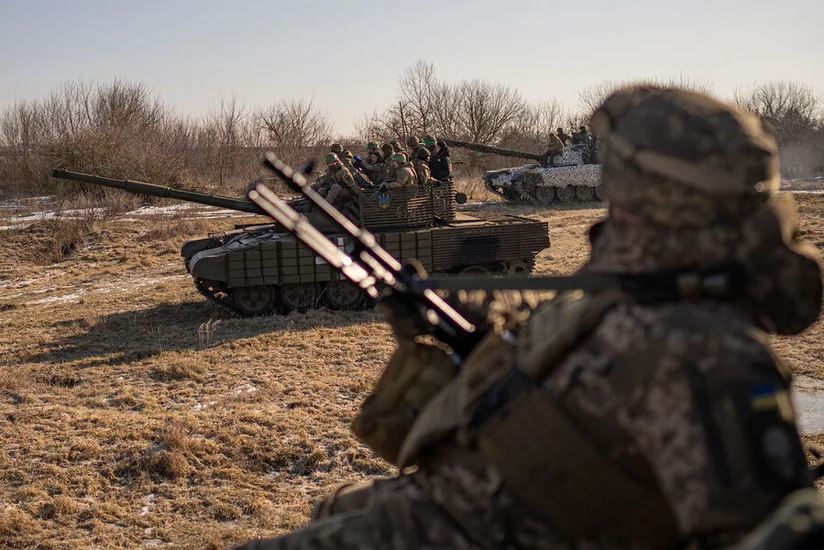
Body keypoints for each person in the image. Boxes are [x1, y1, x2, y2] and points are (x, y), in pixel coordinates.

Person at [232, 87, 822, 549]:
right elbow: (563, 367)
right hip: (461, 498)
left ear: (644, 194)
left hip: (478, 528)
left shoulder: (711, 354)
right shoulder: (637, 291)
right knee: (337, 502)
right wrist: (463, 329)